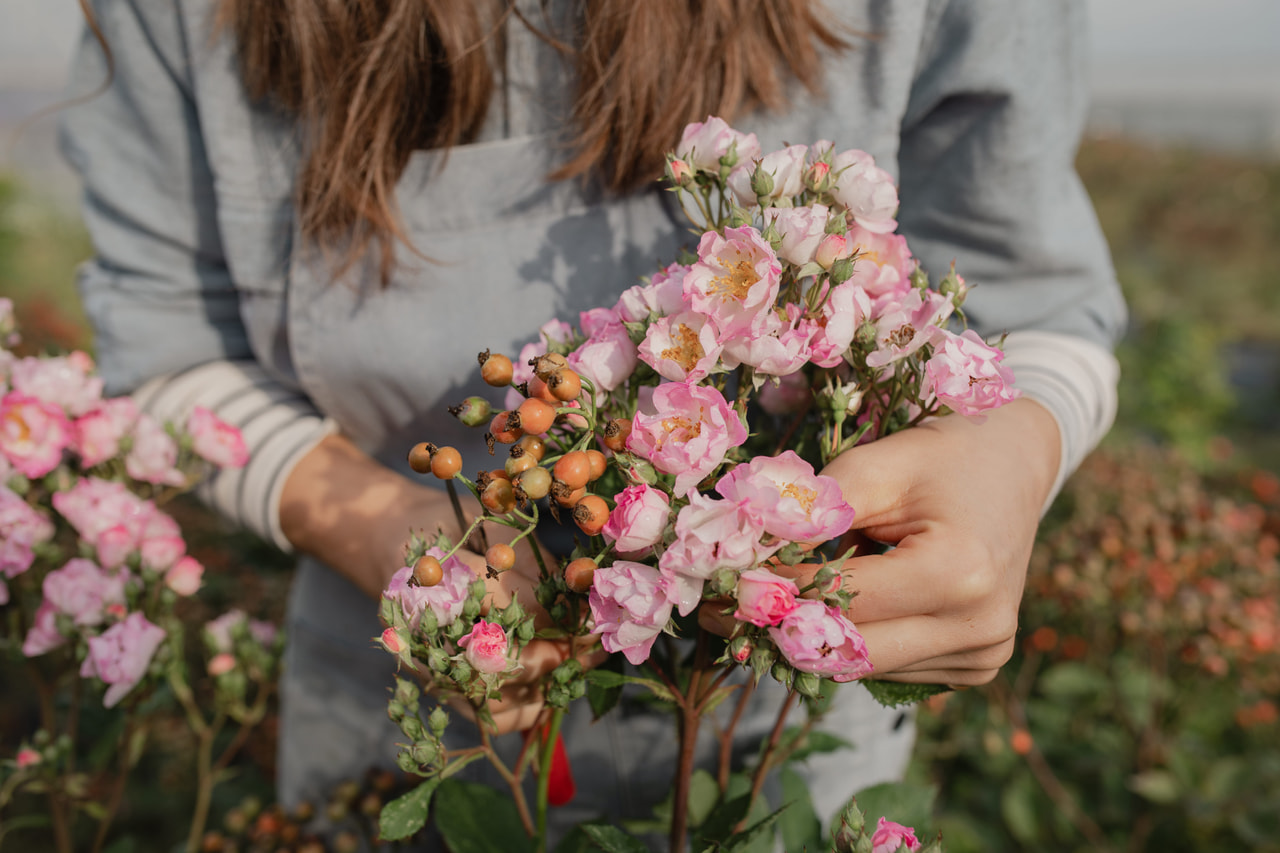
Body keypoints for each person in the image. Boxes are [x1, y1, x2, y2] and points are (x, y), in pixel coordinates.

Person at [62, 0, 1125, 838]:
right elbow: (166, 351)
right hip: (399, 705)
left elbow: (1030, 312)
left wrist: (1009, 448)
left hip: (778, 735)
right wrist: (392, 534)